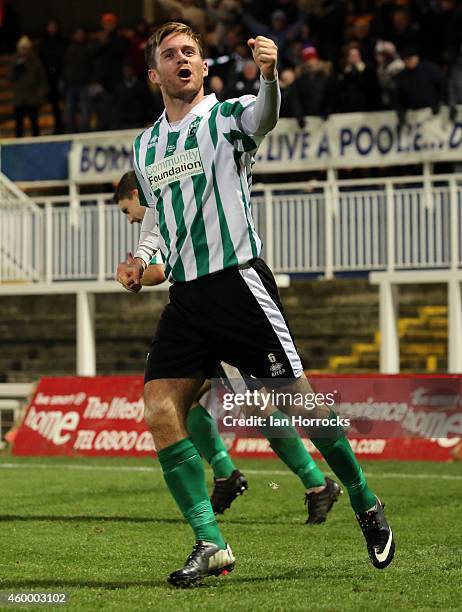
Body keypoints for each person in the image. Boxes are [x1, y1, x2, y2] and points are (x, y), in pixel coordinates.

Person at [117, 22, 395, 587]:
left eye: (191, 52)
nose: (183, 60)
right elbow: (162, 225)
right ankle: (211, 542)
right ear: (155, 73)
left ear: (203, 65)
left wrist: (268, 76)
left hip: (239, 287)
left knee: (303, 409)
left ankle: (365, 499)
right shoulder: (146, 147)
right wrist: (139, 261)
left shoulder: (226, 118)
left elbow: (263, 116)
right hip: (187, 298)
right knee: (160, 408)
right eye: (170, 55)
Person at [114, 170, 343, 519]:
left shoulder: (172, 206)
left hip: (224, 309)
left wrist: (136, 273)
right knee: (180, 400)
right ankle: (228, 473)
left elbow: (161, 272)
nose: (130, 219)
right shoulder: (168, 217)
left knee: (260, 404)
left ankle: (317, 483)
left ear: (137, 192)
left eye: (127, 209)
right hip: (200, 316)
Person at [8, 36, 48, 137]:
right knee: (18, 125)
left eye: (26, 48)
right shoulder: (14, 61)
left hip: (32, 98)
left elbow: (42, 79)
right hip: (19, 98)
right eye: (22, 48)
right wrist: (17, 67)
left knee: (34, 123)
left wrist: (40, 94)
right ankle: (18, 145)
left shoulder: (35, 61)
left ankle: (36, 143)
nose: (24, 50)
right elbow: (10, 78)